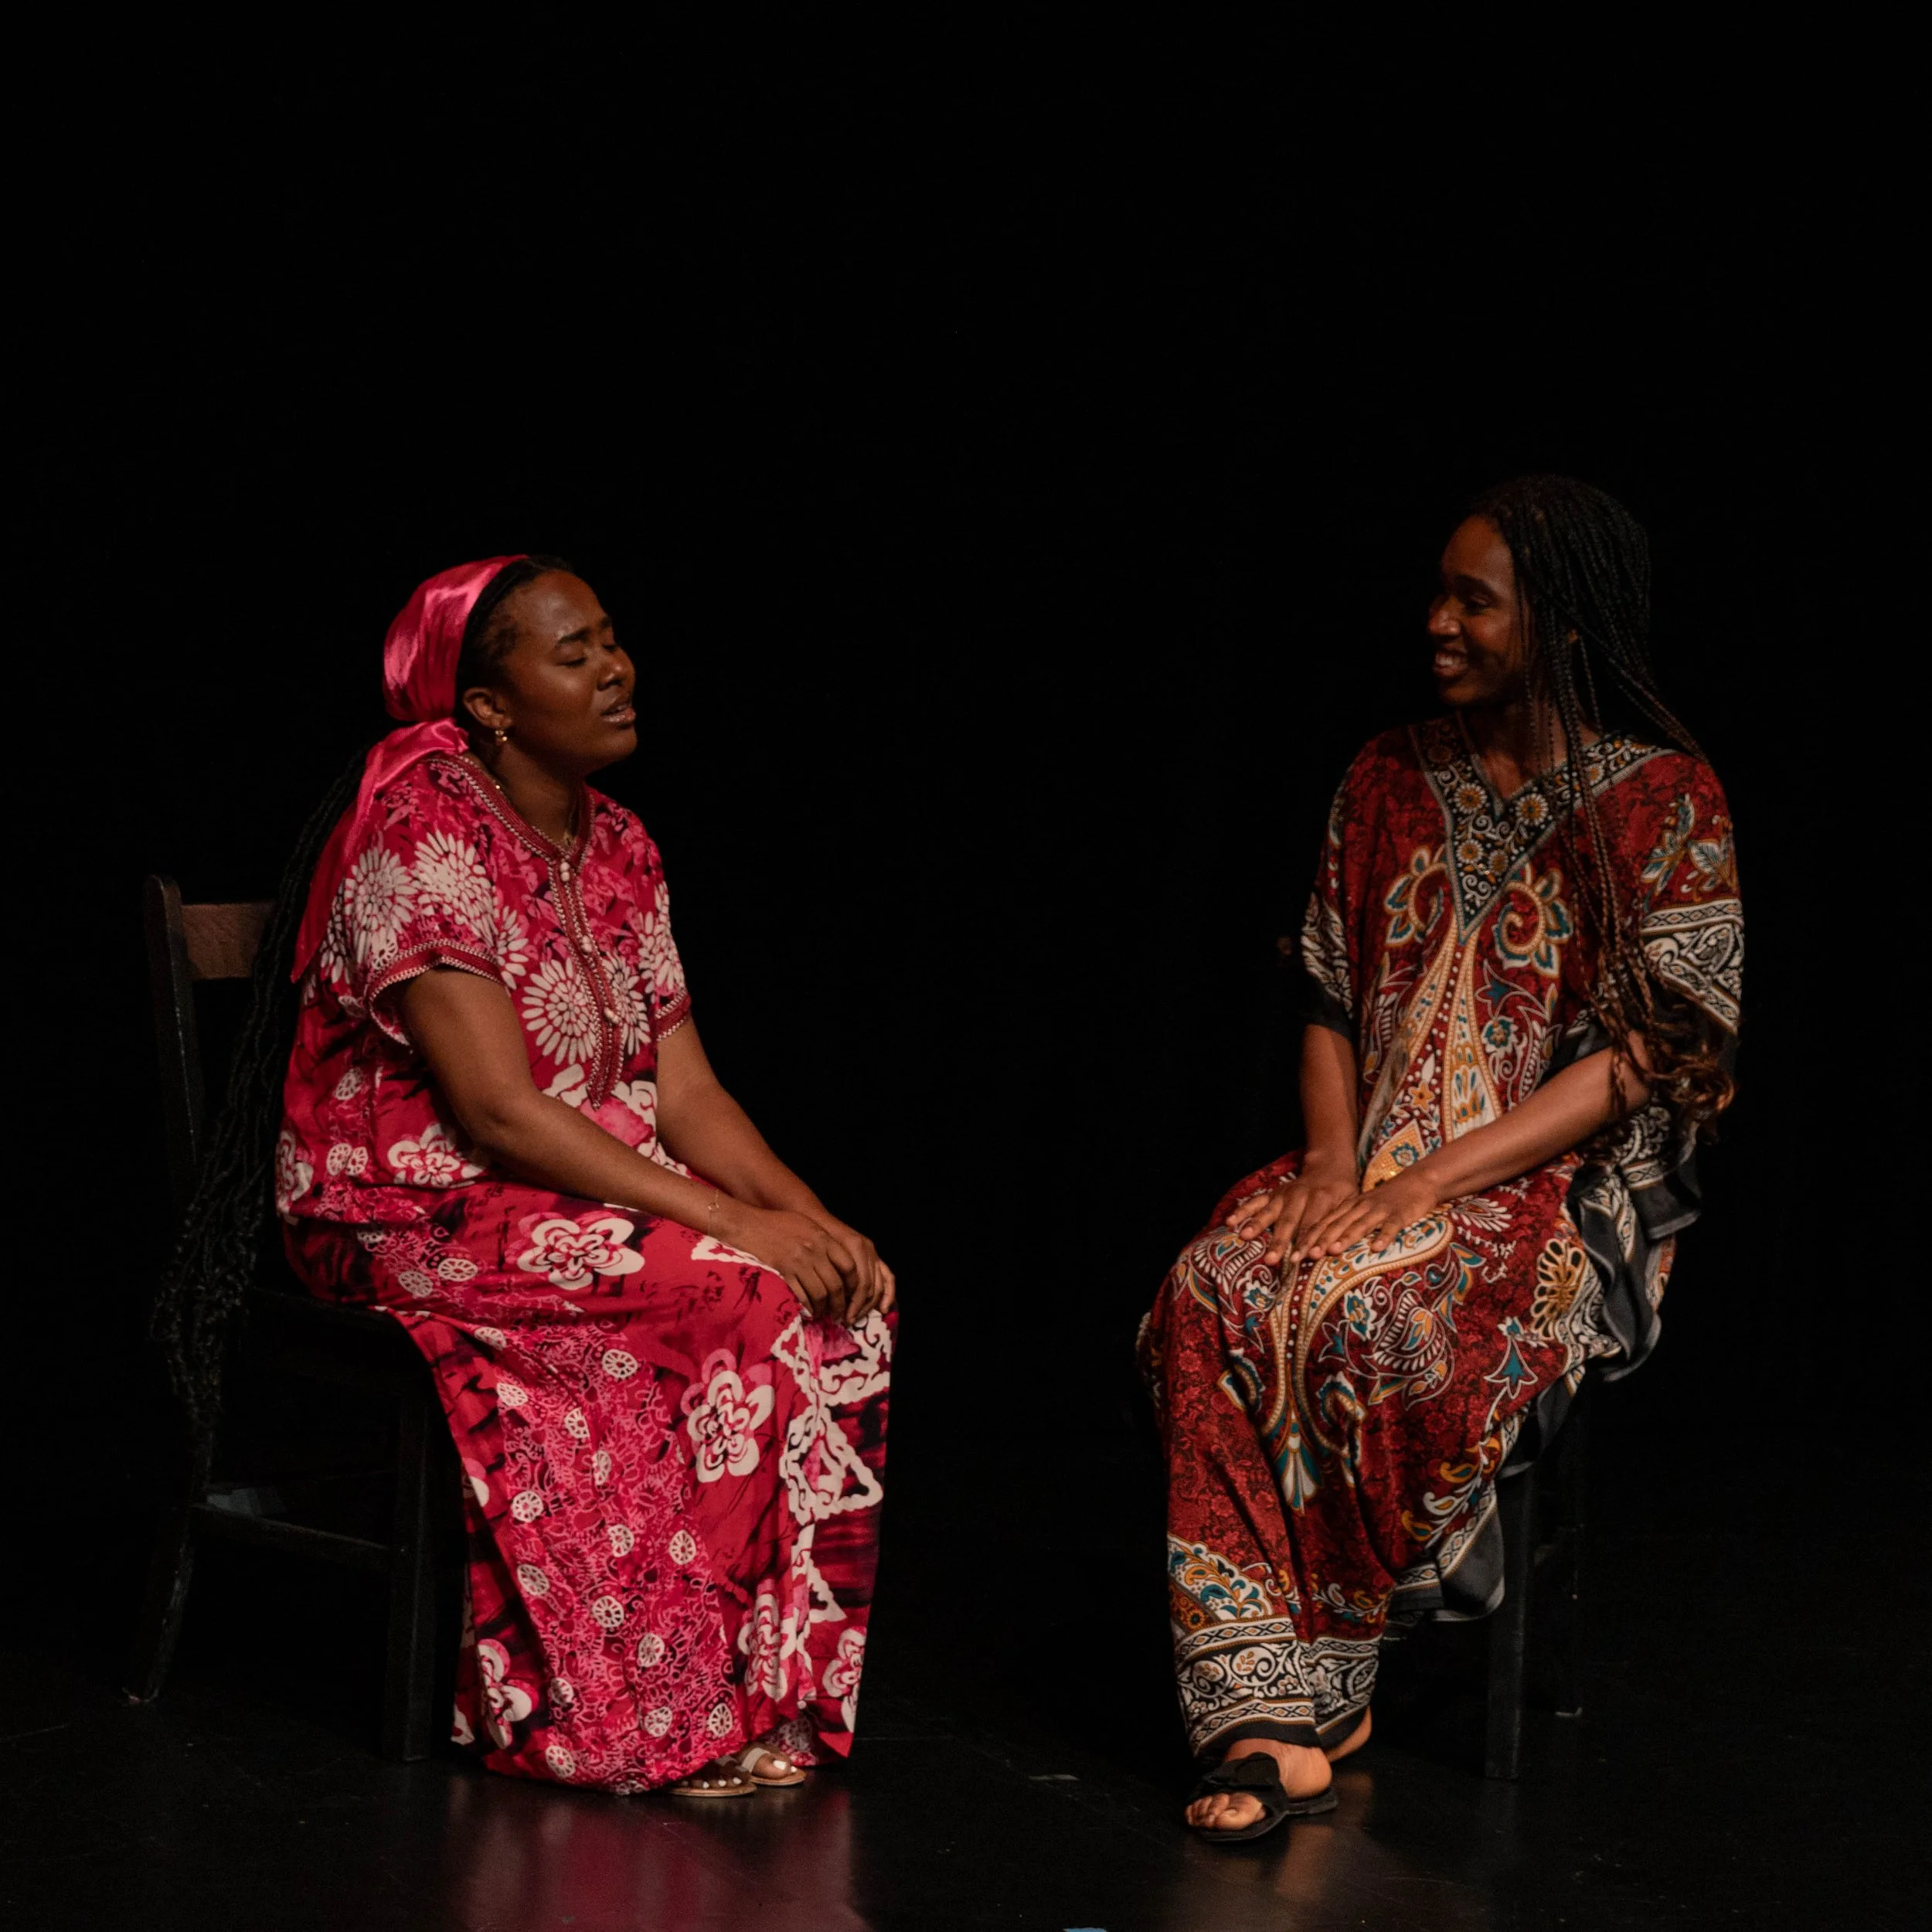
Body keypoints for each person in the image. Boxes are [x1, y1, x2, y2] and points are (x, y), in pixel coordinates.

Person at [155, 556, 893, 1797]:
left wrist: (811, 1220)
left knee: (842, 1292)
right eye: (573, 652)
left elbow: (690, 1092)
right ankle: (627, 1713)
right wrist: (736, 1231)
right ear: (488, 703)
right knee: (732, 1290)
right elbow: (497, 1112)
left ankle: (760, 1703)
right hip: (400, 1206)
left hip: (568, 1193)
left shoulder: (624, 845)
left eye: (613, 638)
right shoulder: (421, 821)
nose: (615, 668)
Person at [1141, 477, 1743, 1841]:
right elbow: (1325, 995)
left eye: (1475, 601)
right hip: (1368, 1154)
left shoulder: (1665, 800)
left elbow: (1645, 1056)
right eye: (1441, 593)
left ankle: (1330, 1670)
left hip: (1544, 1185)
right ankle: (1250, 1708)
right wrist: (1335, 1167)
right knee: (1215, 1286)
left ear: (1566, 625)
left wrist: (1423, 1187)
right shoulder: (1385, 773)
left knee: (1370, 1312)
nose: (1440, 622)